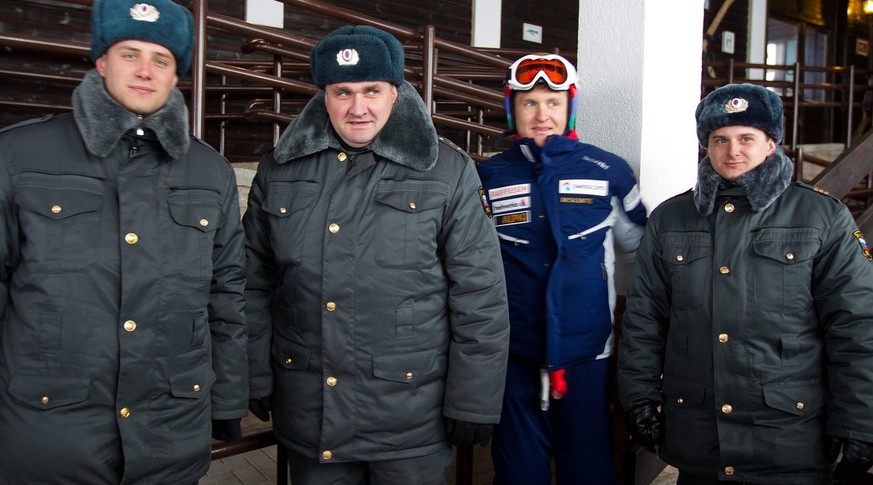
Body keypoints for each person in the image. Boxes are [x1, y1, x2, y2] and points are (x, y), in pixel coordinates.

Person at [243, 25, 510, 485]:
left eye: (372, 90)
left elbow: (480, 296)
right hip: (312, 413)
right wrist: (252, 374)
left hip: (411, 422)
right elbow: (252, 282)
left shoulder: (447, 171)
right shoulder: (279, 169)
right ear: (323, 96)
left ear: (395, 92)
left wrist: (473, 400)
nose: (358, 107)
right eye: (342, 91)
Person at [0, 0, 249, 483]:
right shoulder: (18, 155)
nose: (144, 71)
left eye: (161, 60)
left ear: (176, 74)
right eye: (129, 54)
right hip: (48, 431)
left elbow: (227, 295)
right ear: (101, 61)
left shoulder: (209, 169)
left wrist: (228, 400)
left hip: (169, 431)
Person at [618, 83, 873, 485]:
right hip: (700, 439)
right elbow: (645, 320)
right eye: (720, 139)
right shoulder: (671, 219)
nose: (732, 151)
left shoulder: (822, 216)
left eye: (746, 138)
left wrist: (860, 420)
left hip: (790, 440)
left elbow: (857, 325)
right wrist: (639, 396)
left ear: (771, 143)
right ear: (706, 145)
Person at [476, 53, 648, 485]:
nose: (541, 114)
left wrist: (595, 300)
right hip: (514, 354)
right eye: (529, 103)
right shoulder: (485, 176)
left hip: (588, 353)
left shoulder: (609, 170)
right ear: (511, 107)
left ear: (569, 107)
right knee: (518, 473)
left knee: (588, 469)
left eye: (552, 102)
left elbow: (638, 252)